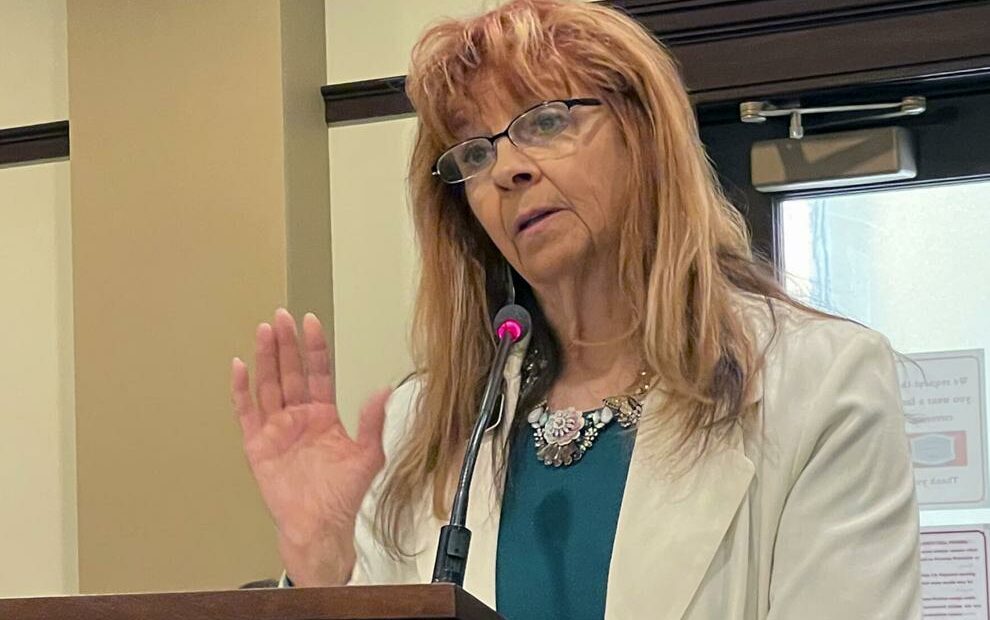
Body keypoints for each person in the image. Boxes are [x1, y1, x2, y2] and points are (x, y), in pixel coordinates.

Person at [229, 1, 921, 618]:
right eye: (475, 152)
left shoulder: (821, 384)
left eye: (547, 119)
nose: (508, 170)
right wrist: (322, 570)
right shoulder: (431, 423)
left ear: (644, 135)